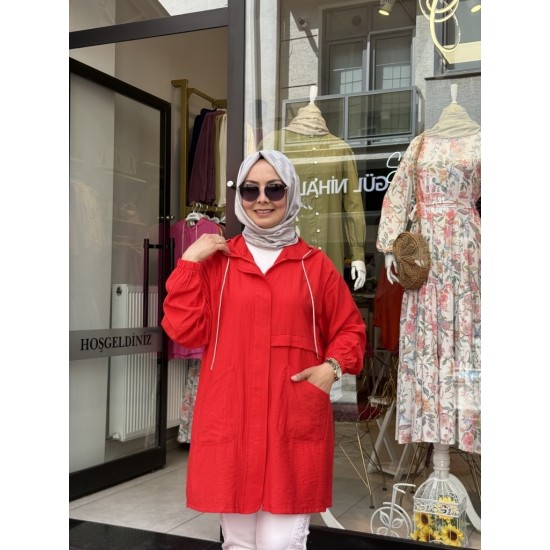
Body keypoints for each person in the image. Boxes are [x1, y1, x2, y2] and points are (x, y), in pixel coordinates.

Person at [161, 149, 367, 550]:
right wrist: (188, 261)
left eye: (274, 188)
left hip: (290, 422)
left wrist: (332, 368)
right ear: (238, 196)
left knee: (280, 543)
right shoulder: (219, 262)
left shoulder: (314, 265)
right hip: (232, 420)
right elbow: (184, 330)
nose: (262, 199)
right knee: (238, 543)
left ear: (291, 193)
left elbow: (350, 330)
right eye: (250, 189)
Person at [376, 84, 481, 455]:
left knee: (464, 329)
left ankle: (464, 427)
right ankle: (428, 422)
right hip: (425, 253)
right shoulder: (420, 144)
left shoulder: (485, 141)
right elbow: (398, 193)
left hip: (466, 250)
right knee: (426, 330)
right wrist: (390, 247)